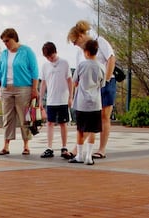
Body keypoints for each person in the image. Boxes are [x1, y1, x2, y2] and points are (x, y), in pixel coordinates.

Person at [67, 20, 116, 160]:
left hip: (105, 82)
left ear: (81, 36)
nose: (76, 45)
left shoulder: (100, 41)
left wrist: (106, 80)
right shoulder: (79, 54)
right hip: (88, 89)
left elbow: (111, 59)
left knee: (103, 116)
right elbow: (78, 74)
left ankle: (101, 149)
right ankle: (80, 148)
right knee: (90, 117)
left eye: (75, 41)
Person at [0, 28, 39, 156]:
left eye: (7, 41)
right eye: (4, 42)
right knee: (7, 117)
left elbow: (34, 71)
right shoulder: (3, 54)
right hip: (6, 88)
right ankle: (6, 145)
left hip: (23, 88)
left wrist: (34, 89)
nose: (6, 44)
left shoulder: (27, 51)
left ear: (14, 38)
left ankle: (26, 145)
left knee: (25, 117)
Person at [70, 39, 105, 166]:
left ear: (86, 52)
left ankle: (79, 155)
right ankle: (89, 156)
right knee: (93, 130)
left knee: (80, 129)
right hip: (95, 103)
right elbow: (102, 84)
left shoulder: (81, 65)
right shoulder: (101, 66)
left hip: (82, 103)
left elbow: (75, 82)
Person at [38, 42, 73, 159]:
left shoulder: (64, 63)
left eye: (51, 57)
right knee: (50, 123)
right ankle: (49, 147)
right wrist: (40, 100)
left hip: (62, 99)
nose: (50, 59)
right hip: (51, 99)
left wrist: (70, 97)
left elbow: (69, 81)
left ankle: (64, 147)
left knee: (63, 123)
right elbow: (43, 83)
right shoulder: (45, 66)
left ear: (55, 52)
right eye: (47, 58)